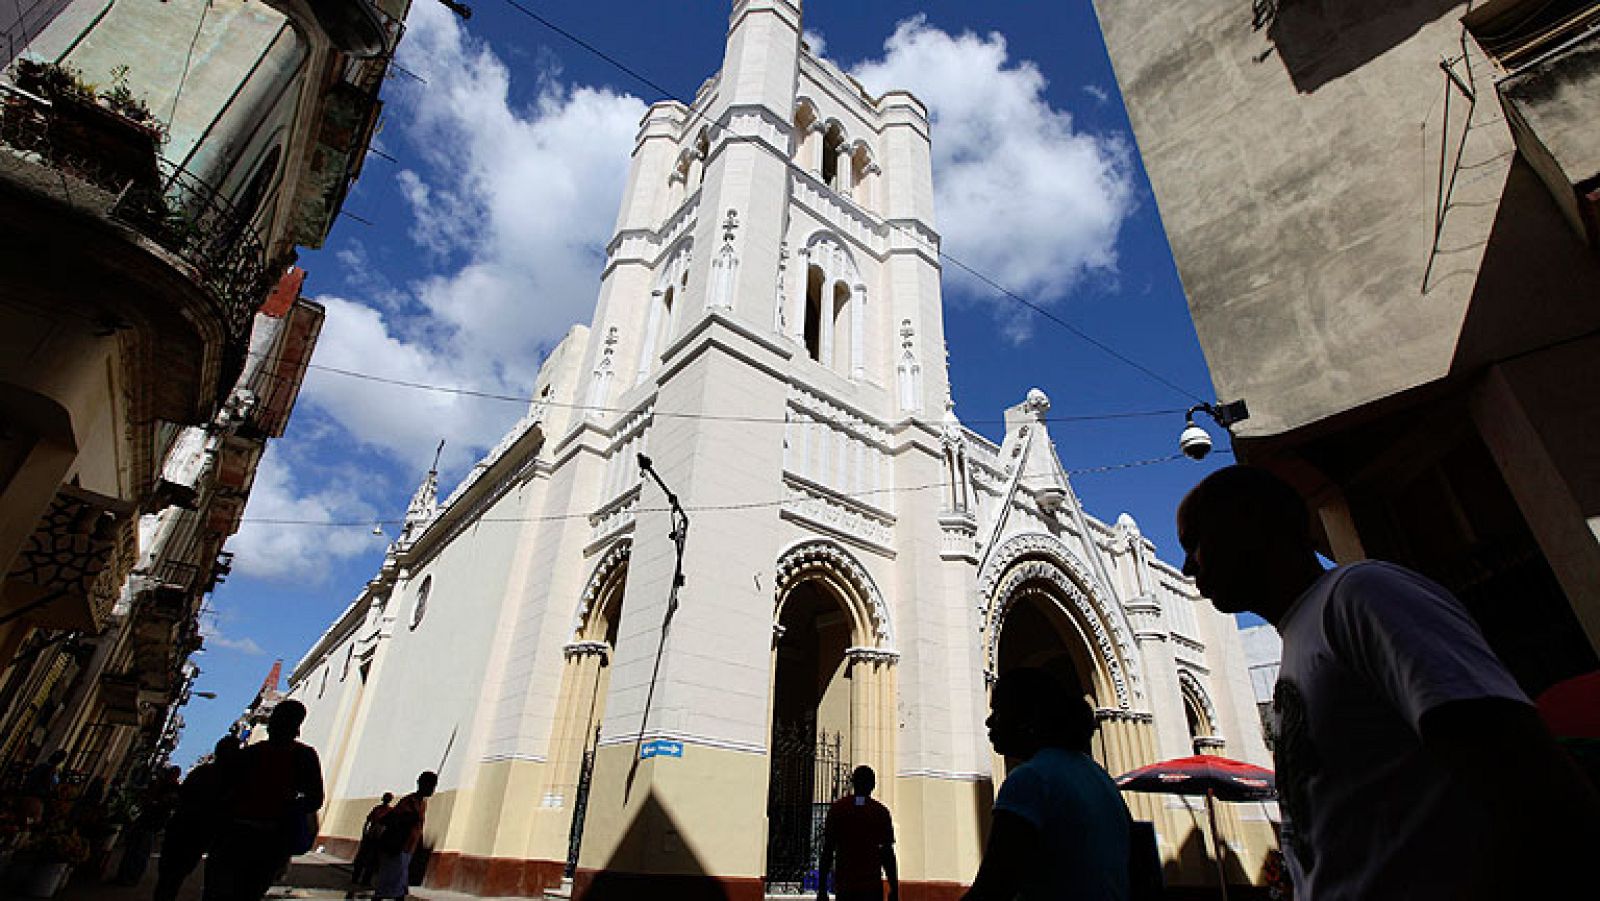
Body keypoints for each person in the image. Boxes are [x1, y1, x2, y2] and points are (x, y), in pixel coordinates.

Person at [1177, 465, 1600, 899]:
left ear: (1252, 524)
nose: (1189, 566)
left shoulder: (1363, 596)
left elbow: (1532, 784)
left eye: (1196, 543)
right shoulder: (1302, 639)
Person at [963, 668, 1130, 901]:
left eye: (998, 711)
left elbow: (994, 887)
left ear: (1027, 718)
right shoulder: (1100, 778)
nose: (989, 721)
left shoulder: (1031, 779)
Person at [204, 701, 324, 901]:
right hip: (270, 842)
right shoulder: (304, 756)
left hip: (235, 838)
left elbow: (222, 794)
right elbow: (315, 800)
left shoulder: (250, 755)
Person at [155, 736, 241, 901]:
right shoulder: (231, 780)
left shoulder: (203, 772)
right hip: (202, 834)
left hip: (183, 828)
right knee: (180, 873)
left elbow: (182, 796)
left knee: (168, 876)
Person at [816, 765, 898, 901]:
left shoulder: (837, 810)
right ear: (873, 785)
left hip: (845, 884)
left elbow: (827, 851)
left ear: (853, 783)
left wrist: (822, 887)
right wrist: (894, 887)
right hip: (871, 885)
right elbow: (887, 854)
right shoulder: (880, 812)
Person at [373, 771, 436, 901]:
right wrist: (409, 818)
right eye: (430, 785)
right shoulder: (409, 801)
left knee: (399, 883)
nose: (432, 789)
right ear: (422, 784)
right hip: (398, 847)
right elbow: (395, 819)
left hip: (408, 848)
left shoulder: (422, 804)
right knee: (390, 882)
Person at [114, 765, 181, 885]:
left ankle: (132, 877)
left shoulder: (174, 789)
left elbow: (170, 804)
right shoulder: (160, 784)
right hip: (145, 820)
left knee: (141, 850)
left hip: (153, 822)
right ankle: (123, 875)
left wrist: (157, 802)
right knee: (133, 848)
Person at [350, 791, 394, 887]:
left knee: (372, 860)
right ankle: (356, 877)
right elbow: (368, 821)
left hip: (379, 837)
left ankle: (365, 880)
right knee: (363, 858)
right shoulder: (378, 809)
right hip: (372, 835)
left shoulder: (390, 811)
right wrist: (365, 832)